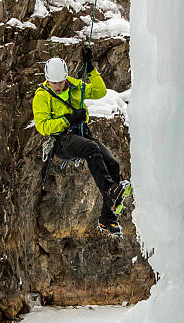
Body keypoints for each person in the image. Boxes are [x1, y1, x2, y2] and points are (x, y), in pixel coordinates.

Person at [32, 47, 130, 237]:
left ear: (66, 78)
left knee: (113, 164)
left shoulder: (75, 86)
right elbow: (43, 127)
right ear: (47, 80)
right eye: (54, 83)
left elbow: (100, 91)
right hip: (62, 140)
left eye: (60, 82)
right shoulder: (42, 96)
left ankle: (108, 218)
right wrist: (68, 119)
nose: (58, 86)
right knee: (91, 148)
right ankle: (111, 190)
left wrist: (90, 68)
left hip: (83, 134)